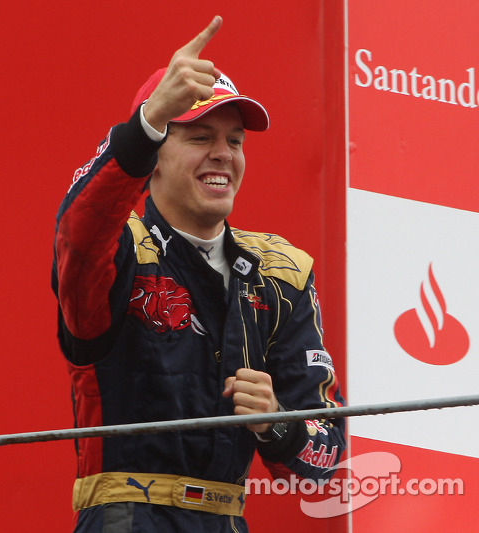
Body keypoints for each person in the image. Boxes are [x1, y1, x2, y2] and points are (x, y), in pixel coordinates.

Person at [51, 16, 345, 532]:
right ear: (154, 158)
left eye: (235, 140)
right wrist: (145, 123)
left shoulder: (283, 273)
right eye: (200, 136)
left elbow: (326, 461)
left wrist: (277, 423)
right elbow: (80, 231)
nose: (223, 155)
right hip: (125, 520)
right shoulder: (119, 250)